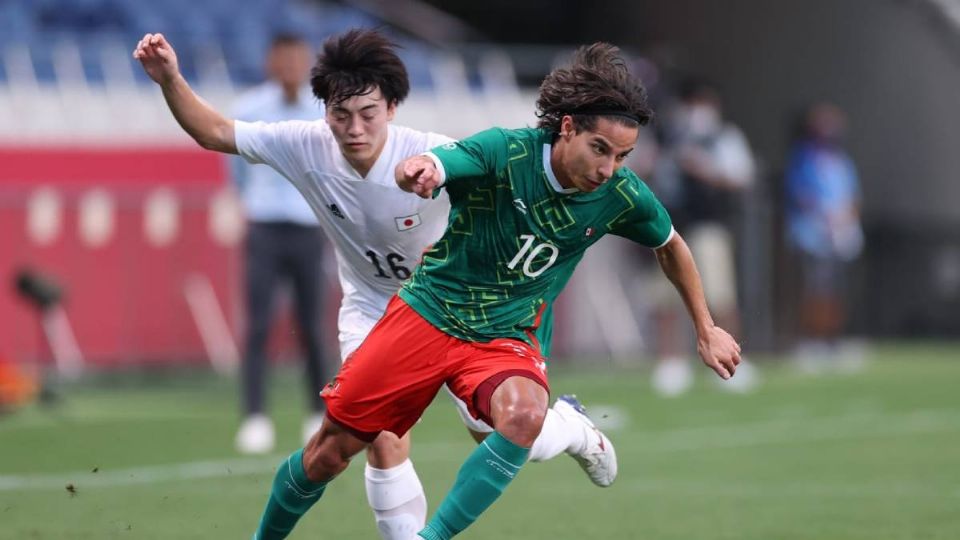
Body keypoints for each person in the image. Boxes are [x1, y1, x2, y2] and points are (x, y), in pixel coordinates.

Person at [133, 29, 616, 540]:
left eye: (368, 113)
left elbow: (513, 204)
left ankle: (571, 429)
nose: (354, 128)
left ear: (392, 108)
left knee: (502, 433)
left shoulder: (436, 156)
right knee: (380, 439)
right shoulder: (304, 146)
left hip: (459, 312)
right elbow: (213, 131)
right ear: (325, 112)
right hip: (373, 311)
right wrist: (170, 79)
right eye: (341, 115)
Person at [250, 40, 738, 539]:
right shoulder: (509, 150)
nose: (608, 168)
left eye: (622, 155)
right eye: (600, 149)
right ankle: (570, 427)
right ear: (568, 127)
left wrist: (706, 328)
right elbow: (449, 161)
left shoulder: (619, 193)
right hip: (428, 312)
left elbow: (671, 245)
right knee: (330, 452)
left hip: (505, 334)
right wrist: (425, 169)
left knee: (522, 418)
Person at [229, 33, 331, 455]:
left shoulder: (321, 109)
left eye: (297, 59)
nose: (290, 67)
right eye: (283, 59)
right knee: (257, 324)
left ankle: (316, 413)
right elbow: (235, 170)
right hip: (265, 228)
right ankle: (255, 417)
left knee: (312, 324)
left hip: (309, 227)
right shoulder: (250, 109)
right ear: (271, 62)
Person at [648, 78, 758, 396]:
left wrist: (704, 169)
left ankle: (731, 359)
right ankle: (671, 362)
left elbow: (741, 176)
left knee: (719, 295)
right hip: (670, 225)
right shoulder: (668, 134)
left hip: (709, 223)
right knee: (666, 296)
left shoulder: (724, 136)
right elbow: (647, 167)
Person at [784, 101, 863, 370]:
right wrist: (824, 215)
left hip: (839, 237)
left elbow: (853, 197)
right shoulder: (803, 157)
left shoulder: (842, 160)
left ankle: (832, 340)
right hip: (813, 235)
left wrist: (844, 220)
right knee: (813, 287)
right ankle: (811, 339)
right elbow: (799, 193)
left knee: (835, 290)